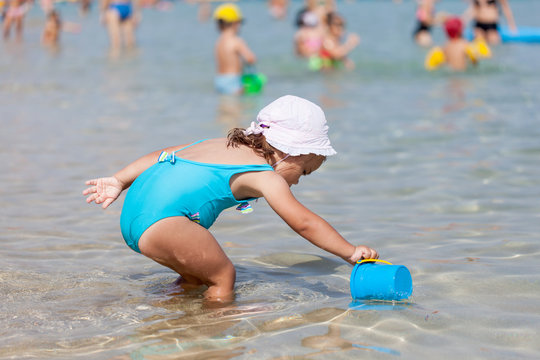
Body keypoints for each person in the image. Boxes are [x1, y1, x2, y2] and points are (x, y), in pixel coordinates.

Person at [83, 95, 379, 302]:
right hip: (163, 222)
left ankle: (174, 314)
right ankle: (218, 327)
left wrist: (119, 180)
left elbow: (163, 155)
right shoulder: (267, 176)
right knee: (223, 275)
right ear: (292, 151)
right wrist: (349, 252)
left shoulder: (217, 143)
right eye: (304, 170)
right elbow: (303, 222)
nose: (299, 179)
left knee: (197, 277)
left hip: (135, 214)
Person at [213, 3, 256, 95]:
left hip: (219, 80)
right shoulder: (236, 40)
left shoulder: (219, 42)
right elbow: (251, 59)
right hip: (233, 80)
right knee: (236, 107)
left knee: (225, 106)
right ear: (235, 23)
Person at [425, 17, 489, 72]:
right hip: (462, 72)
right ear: (460, 30)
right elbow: (474, 61)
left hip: (450, 74)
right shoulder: (464, 44)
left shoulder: (444, 47)